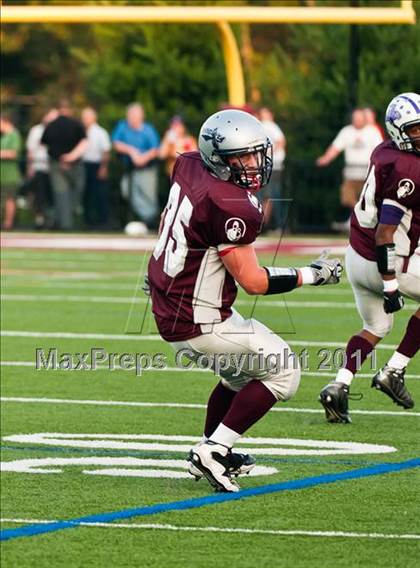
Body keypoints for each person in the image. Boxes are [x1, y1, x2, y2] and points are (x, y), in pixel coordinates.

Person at [147, 109, 343, 493]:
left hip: (174, 303)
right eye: (242, 158)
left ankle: (208, 448)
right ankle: (215, 450)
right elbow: (253, 281)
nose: (253, 165)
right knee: (284, 371)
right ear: (219, 159)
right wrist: (311, 274)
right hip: (199, 318)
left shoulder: (188, 163)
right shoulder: (231, 203)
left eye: (255, 154)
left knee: (239, 375)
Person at [319, 92, 420, 424]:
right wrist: (390, 285)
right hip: (384, 260)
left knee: (376, 326)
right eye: (416, 129)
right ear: (398, 131)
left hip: (356, 256)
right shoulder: (408, 167)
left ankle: (339, 385)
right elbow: (385, 233)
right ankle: (393, 370)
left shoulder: (383, 150)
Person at [316, 108, 383, 232]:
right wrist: (326, 158)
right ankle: (357, 219)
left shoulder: (372, 131)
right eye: (355, 118)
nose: (357, 121)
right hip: (351, 174)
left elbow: (380, 150)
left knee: (368, 199)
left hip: (367, 175)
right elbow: (335, 147)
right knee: (347, 198)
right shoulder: (347, 131)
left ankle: (359, 221)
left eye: (359, 118)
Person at [112, 103, 160, 230]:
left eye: (135, 115)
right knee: (126, 190)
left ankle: (153, 221)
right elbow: (116, 143)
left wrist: (142, 158)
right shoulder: (122, 126)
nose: (132, 118)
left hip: (147, 168)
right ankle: (149, 218)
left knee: (148, 195)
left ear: (141, 116)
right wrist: (131, 151)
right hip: (130, 169)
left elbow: (155, 149)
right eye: (130, 115)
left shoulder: (148, 129)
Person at [41, 99, 87, 230]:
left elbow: (44, 143)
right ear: (70, 110)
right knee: (77, 190)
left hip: (56, 164)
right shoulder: (77, 124)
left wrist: (61, 158)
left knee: (61, 194)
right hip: (75, 164)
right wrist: (70, 157)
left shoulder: (50, 125)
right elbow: (84, 143)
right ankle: (70, 219)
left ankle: (65, 224)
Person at [26, 107, 58, 229]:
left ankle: (51, 220)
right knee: (39, 196)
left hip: (53, 168)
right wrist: (30, 167)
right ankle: (39, 220)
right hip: (39, 167)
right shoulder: (36, 130)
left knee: (52, 196)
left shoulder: (57, 130)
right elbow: (31, 150)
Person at [81, 107, 111, 228]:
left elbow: (106, 151)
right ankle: (88, 221)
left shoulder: (100, 132)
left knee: (99, 194)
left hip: (96, 165)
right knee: (86, 195)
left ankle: (102, 221)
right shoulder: (81, 130)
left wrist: (103, 167)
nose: (85, 120)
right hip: (84, 165)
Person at [258, 107, 286, 231]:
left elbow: (281, 141)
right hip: (271, 165)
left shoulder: (269, 125)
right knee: (269, 195)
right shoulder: (267, 125)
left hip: (272, 166)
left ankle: (273, 224)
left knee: (271, 195)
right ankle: (266, 224)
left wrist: (269, 154)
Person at [0, 114, 22, 230]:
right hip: (2, 174)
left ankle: (8, 224)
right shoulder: (3, 136)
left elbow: (13, 153)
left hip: (10, 175)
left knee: (10, 199)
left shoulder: (14, 134)